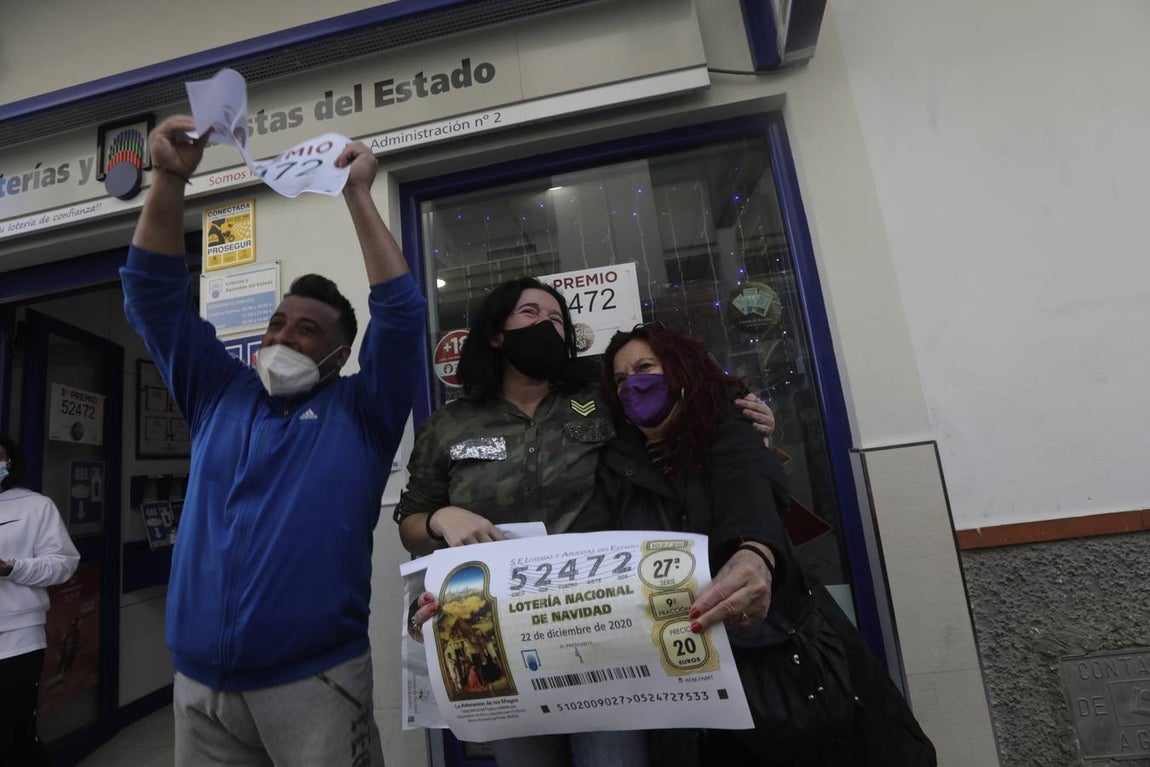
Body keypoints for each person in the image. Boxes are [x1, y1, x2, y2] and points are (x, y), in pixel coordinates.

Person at [121, 115, 425, 766]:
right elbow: (153, 297)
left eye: (307, 330)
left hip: (317, 680)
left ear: (341, 353)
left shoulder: (363, 413)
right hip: (200, 687)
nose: (283, 336)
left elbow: (400, 316)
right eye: (277, 323)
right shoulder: (216, 394)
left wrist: (357, 195)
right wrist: (170, 180)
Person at [396, 278, 774, 767]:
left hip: (602, 624)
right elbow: (409, 522)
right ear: (495, 333)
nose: (547, 325)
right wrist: (441, 518)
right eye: (530, 313)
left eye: (557, 319)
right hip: (498, 634)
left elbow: (681, 426)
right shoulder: (447, 425)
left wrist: (746, 425)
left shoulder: (599, 400)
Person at [586, 323, 937, 766]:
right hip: (683, 671)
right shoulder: (617, 462)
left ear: (677, 369)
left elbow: (749, 485)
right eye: (620, 379)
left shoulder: (729, 423)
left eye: (644, 367)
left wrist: (754, 552)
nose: (633, 384)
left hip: (774, 658)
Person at [0, 434, 81, 767]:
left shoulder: (35, 506)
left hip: (17, 636)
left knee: (13, 734)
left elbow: (63, 563)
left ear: (10, 463)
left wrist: (10, 568)